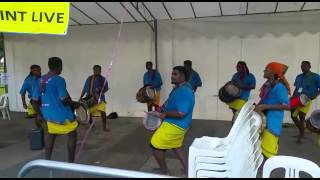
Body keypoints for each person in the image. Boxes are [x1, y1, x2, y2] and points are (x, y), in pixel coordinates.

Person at [32, 57, 80, 163]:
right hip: (62, 115)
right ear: (60, 66)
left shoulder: (41, 80)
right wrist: (75, 104)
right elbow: (63, 99)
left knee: (50, 134)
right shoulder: (59, 80)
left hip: (47, 114)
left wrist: (39, 114)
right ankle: (71, 162)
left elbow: (34, 101)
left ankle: (47, 161)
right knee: (72, 133)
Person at [150, 66, 195, 175]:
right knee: (176, 145)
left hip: (175, 124)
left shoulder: (184, 91)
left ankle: (164, 171)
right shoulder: (180, 88)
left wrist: (164, 114)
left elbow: (181, 113)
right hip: (181, 124)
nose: (172, 76)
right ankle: (188, 170)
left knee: (155, 145)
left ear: (183, 76)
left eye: (175, 74)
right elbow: (172, 101)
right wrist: (162, 108)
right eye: (172, 73)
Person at [255, 62, 290, 162]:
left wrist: (266, 106)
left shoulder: (280, 87)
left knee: (269, 153)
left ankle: (269, 170)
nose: (264, 71)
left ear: (273, 72)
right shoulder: (269, 85)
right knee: (262, 148)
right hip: (265, 120)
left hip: (272, 123)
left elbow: (287, 106)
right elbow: (266, 100)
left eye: (267, 69)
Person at [291, 61, 320, 144]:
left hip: (307, 99)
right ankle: (301, 131)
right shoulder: (299, 77)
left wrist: (316, 95)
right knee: (293, 116)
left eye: (305, 66)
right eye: (302, 66)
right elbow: (297, 89)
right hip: (296, 98)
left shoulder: (315, 77)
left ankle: (301, 135)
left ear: (309, 66)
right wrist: (292, 97)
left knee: (301, 116)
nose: (303, 67)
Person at [80, 65, 109, 132]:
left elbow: (106, 88)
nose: (96, 71)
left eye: (98, 70)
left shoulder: (103, 79)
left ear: (100, 71)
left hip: (100, 99)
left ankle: (104, 127)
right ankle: (91, 125)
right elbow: (84, 88)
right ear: (93, 70)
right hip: (90, 99)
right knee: (88, 113)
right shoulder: (89, 78)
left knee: (103, 112)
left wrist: (101, 90)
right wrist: (81, 97)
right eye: (95, 70)